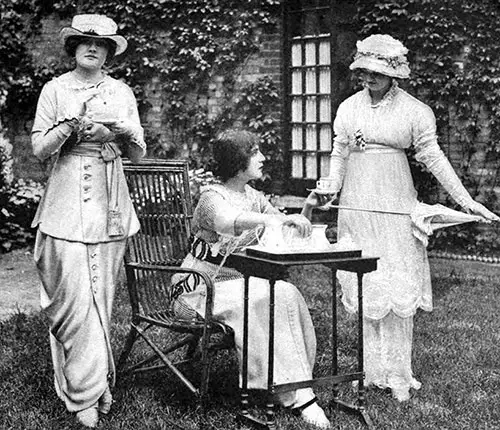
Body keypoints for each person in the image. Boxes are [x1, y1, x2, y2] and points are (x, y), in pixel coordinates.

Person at [320, 34, 499, 401]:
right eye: (364, 72)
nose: (367, 80)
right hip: (358, 202)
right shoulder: (349, 107)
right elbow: (339, 154)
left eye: (376, 74)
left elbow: (434, 159)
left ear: (393, 75)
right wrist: (330, 188)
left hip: (395, 199)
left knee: (395, 279)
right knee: (366, 280)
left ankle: (398, 376)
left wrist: (466, 202)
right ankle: (370, 372)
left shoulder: (415, 111)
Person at [31, 14, 146, 428]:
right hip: (64, 204)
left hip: (109, 202)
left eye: (101, 45)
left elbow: (139, 154)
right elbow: (40, 150)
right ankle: (83, 392)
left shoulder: (121, 91)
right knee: (75, 299)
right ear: (73, 47)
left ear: (110, 52)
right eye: (83, 42)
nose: (92, 49)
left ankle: (94, 388)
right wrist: (71, 125)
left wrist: (118, 133)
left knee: (102, 297)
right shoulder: (55, 89)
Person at [173, 129, 331, 428]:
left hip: (232, 286)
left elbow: (285, 230)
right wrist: (272, 218)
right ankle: (298, 397)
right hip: (196, 289)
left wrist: (307, 206)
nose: (263, 157)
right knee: (260, 297)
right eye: (255, 152)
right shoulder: (211, 197)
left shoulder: (253, 197)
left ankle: (292, 387)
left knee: (285, 291)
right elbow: (227, 222)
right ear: (237, 160)